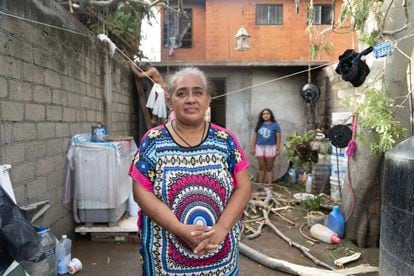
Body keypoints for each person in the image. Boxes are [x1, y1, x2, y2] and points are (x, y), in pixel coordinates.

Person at [128, 67, 251, 275]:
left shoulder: (225, 140)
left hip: (220, 251)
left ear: (208, 99)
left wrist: (221, 229)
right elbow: (141, 192)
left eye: (198, 92)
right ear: (169, 101)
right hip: (165, 257)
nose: (190, 99)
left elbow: (244, 187)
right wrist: (179, 229)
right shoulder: (153, 141)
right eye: (182, 93)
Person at [250, 108, 282, 186]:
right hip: (259, 147)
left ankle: (269, 186)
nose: (265, 115)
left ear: (270, 115)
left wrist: (277, 149)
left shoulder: (275, 125)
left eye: (267, 114)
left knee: (269, 168)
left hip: (271, 147)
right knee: (261, 167)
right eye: (264, 114)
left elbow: (278, 137)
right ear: (262, 116)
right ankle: (260, 184)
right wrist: (253, 147)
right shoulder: (259, 125)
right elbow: (255, 137)